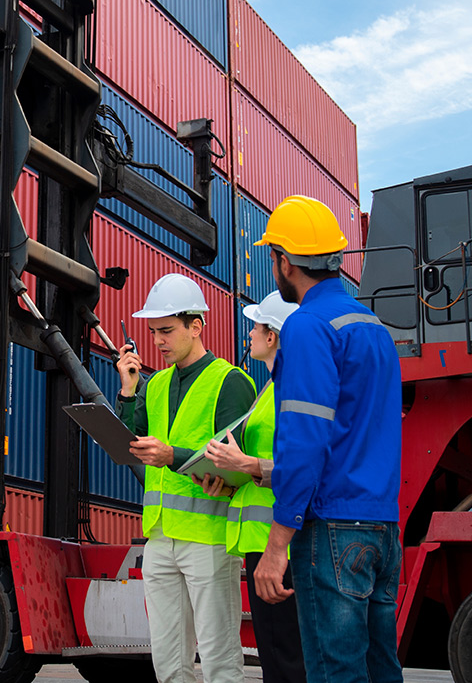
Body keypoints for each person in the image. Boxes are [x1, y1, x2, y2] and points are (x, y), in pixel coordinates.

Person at [251, 195, 403, 683]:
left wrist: (277, 544)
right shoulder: (374, 328)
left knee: (336, 674)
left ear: (285, 261)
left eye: (273, 256)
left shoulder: (308, 326)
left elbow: (305, 440)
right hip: (383, 527)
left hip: (332, 527)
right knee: (380, 671)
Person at [116, 273, 256, 683]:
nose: (157, 341)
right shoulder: (154, 384)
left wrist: (170, 455)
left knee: (218, 656)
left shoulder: (230, 382)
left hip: (208, 538)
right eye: (153, 332)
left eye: (166, 331)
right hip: (160, 537)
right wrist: (128, 391)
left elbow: (238, 461)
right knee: (168, 659)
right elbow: (130, 442)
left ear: (196, 326)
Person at [203, 291, 306, 683]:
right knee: (278, 657)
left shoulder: (292, 389)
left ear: (273, 336)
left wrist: (245, 464)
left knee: (287, 659)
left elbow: (307, 466)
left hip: (283, 543)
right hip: (262, 540)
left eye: (256, 326)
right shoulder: (271, 388)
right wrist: (229, 480)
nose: (249, 334)